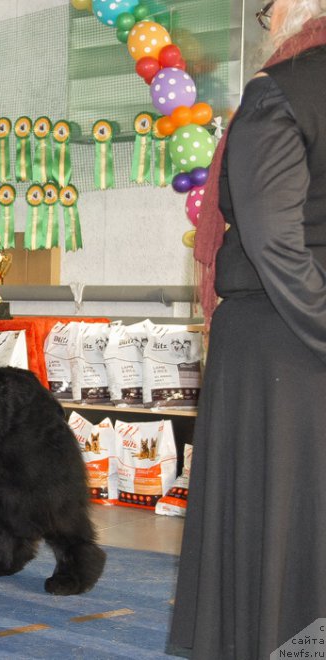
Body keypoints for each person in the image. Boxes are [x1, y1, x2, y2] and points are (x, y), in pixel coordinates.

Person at [170, 1, 326, 658]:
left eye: (268, 7)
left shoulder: (280, 91)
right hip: (295, 339)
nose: (266, 20)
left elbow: (270, 240)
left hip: (282, 341)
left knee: (280, 535)